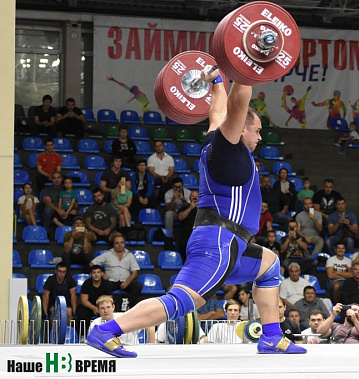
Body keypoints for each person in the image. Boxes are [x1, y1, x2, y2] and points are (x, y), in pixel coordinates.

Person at [87, 65, 306, 357]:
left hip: (231, 244)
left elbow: (217, 112)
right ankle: (107, 330)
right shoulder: (229, 148)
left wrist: (216, 80)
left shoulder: (217, 140)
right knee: (181, 301)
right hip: (219, 243)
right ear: (240, 128)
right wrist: (247, 65)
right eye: (256, 130)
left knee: (268, 263)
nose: (260, 137)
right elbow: (238, 100)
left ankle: (271, 337)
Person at [90, 235, 142, 309]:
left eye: (122, 242)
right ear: (113, 244)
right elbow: (92, 264)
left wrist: (127, 282)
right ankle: (108, 308)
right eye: (117, 243)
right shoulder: (107, 254)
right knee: (104, 286)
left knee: (138, 286)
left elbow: (135, 272)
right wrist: (102, 274)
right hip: (110, 281)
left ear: (124, 244)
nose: (120, 245)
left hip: (125, 281)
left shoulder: (130, 255)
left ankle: (128, 305)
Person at [89, 296, 155, 345]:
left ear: (113, 307)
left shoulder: (126, 317)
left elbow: (150, 325)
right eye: (102, 308)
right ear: (97, 310)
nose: (106, 311)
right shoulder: (95, 323)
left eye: (108, 307)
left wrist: (150, 346)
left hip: (132, 350)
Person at [75, 265, 114, 335]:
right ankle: (82, 335)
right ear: (90, 274)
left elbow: (109, 300)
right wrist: (94, 308)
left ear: (102, 274)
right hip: (90, 307)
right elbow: (84, 300)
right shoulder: (86, 284)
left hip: (102, 306)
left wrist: (100, 309)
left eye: (98, 272)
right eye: (94, 272)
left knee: (108, 311)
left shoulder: (107, 284)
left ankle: (108, 334)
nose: (96, 274)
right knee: (81, 311)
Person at [42, 263, 77, 327]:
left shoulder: (70, 280)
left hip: (66, 304)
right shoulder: (50, 280)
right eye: (60, 271)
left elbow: (73, 296)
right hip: (53, 303)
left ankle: (68, 332)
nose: (61, 274)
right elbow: (45, 296)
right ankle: (53, 332)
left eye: (64, 272)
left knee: (69, 311)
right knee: (54, 311)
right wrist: (45, 313)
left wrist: (74, 312)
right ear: (56, 271)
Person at [176, 189, 199, 261]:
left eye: (196, 197)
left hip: (198, 239)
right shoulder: (185, 207)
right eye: (193, 196)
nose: (194, 198)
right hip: (185, 239)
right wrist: (191, 207)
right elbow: (180, 217)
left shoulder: (203, 210)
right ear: (189, 198)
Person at [40, 171, 64, 238]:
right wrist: (58, 210)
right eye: (54, 178)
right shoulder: (47, 190)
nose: (57, 180)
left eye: (58, 178)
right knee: (47, 210)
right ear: (51, 179)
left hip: (65, 209)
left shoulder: (66, 188)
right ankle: (46, 233)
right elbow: (47, 202)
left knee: (80, 212)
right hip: (53, 210)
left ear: (62, 179)